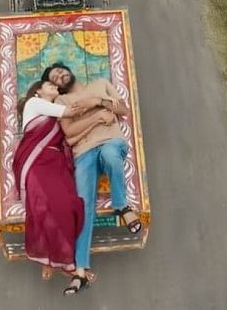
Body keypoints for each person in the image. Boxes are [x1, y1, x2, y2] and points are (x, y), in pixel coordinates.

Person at [41, 63, 143, 295]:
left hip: (110, 142)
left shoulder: (100, 84)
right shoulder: (62, 102)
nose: (60, 76)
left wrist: (96, 101)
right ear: (56, 86)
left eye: (60, 71)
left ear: (68, 69)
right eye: (55, 78)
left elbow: (122, 110)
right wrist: (97, 117)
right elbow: (70, 134)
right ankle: (80, 271)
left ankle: (122, 206)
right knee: (83, 206)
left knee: (110, 155)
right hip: (83, 153)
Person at [13, 80, 113, 284]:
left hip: (57, 165)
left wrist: (96, 122)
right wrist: (98, 102)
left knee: (71, 207)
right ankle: (59, 262)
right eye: (49, 84)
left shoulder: (55, 116)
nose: (55, 86)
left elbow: (69, 137)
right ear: (38, 90)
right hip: (38, 162)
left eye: (56, 86)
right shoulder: (34, 103)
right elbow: (71, 111)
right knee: (47, 208)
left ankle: (55, 259)